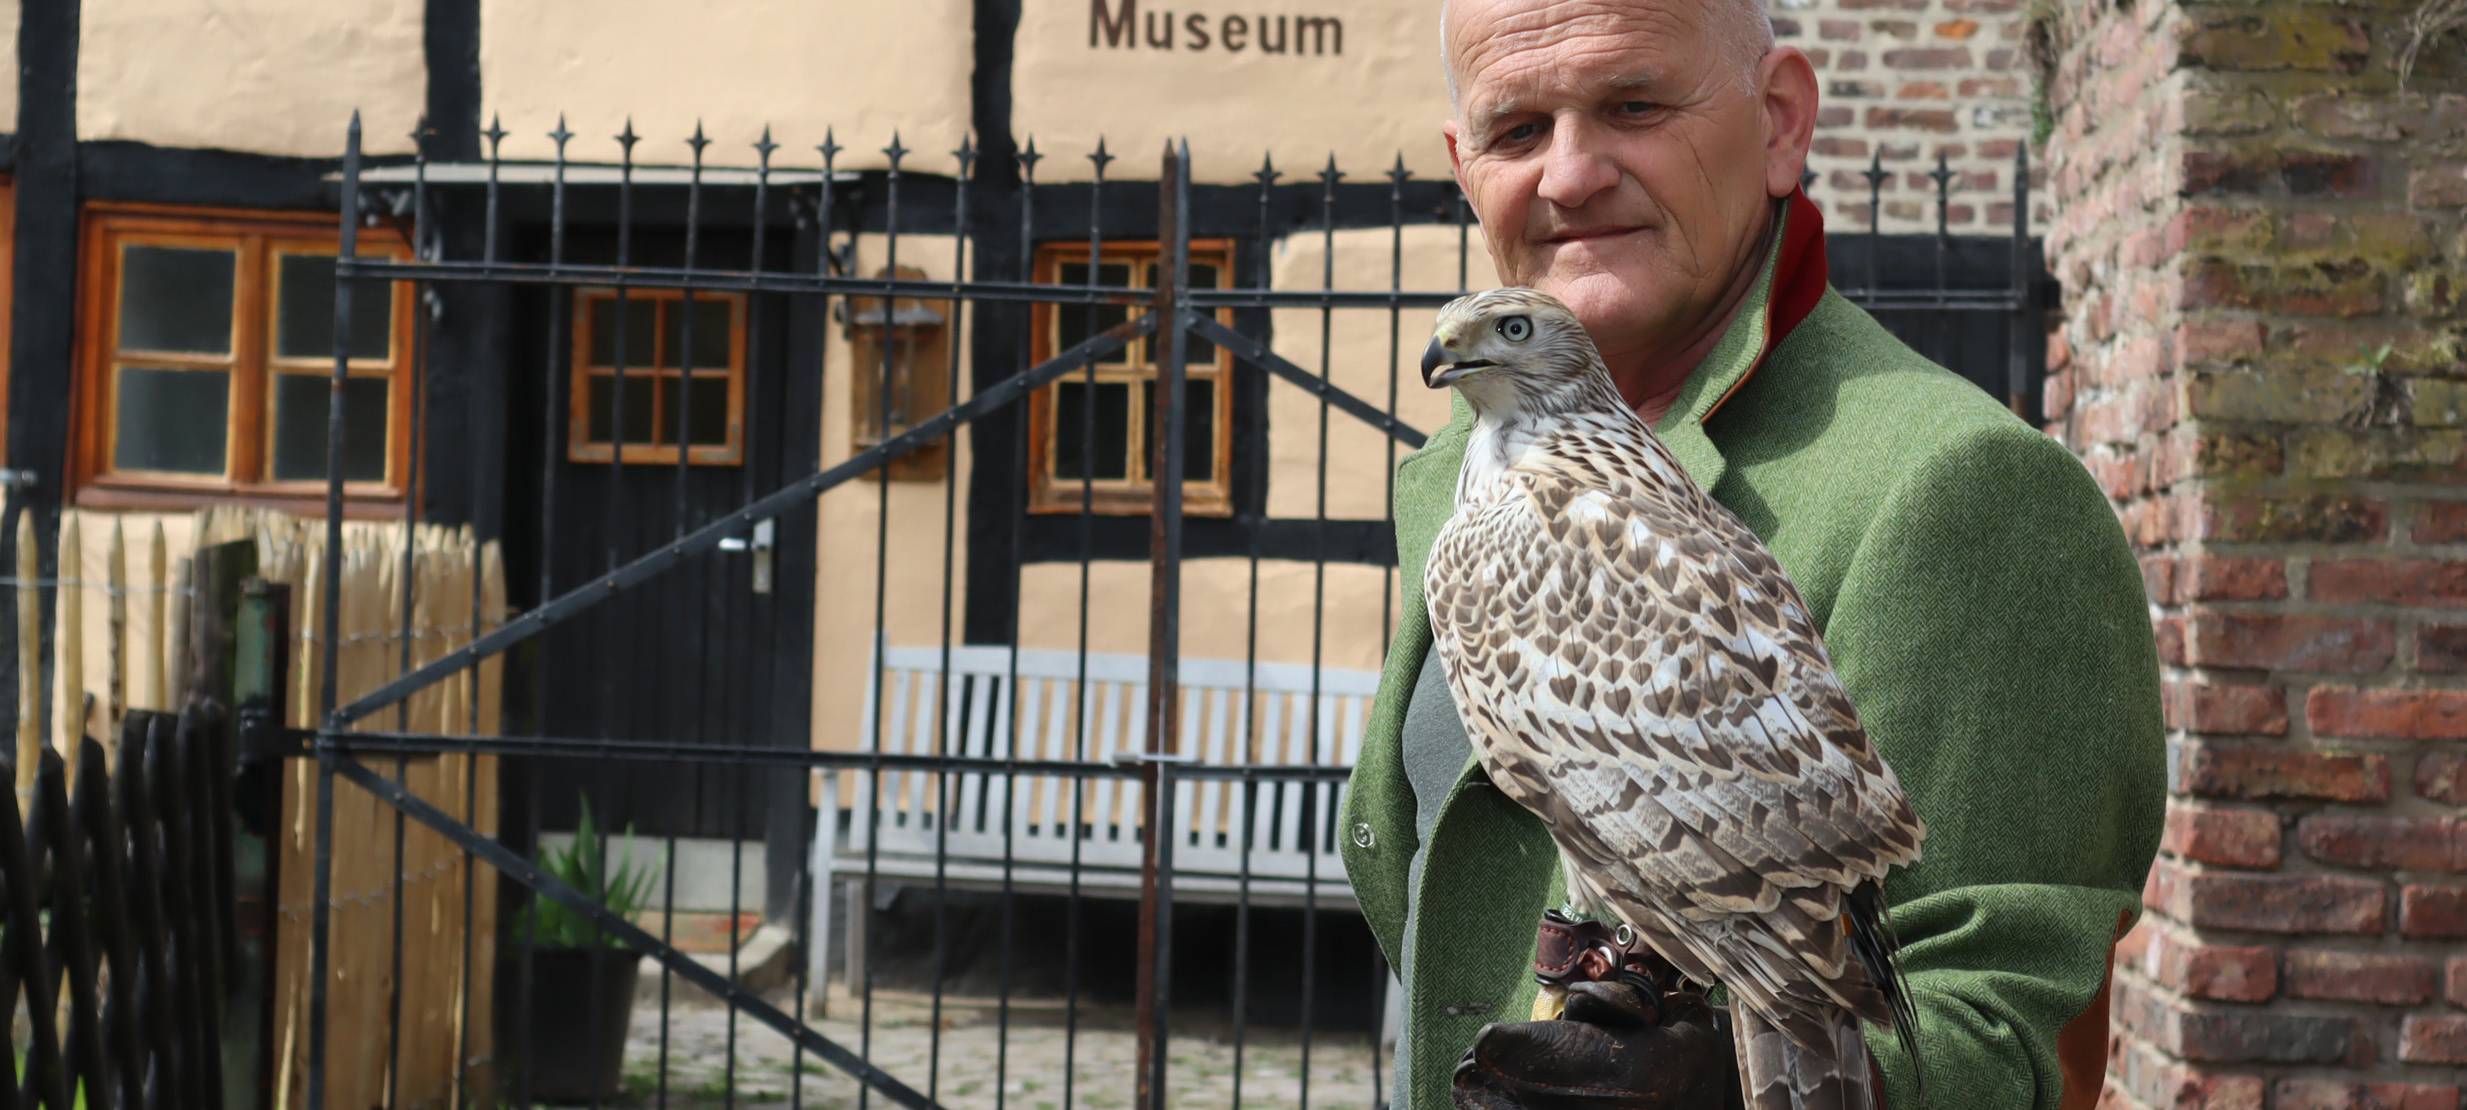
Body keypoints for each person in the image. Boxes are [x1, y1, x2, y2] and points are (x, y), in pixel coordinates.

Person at [1334, 0, 2167, 1106]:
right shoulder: (1458, 473)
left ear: (1779, 121)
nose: (1570, 176)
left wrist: (1748, 1090)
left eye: (1632, 105)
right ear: (1463, 165)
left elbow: (2021, 1042)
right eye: (1517, 130)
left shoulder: (1962, 489)